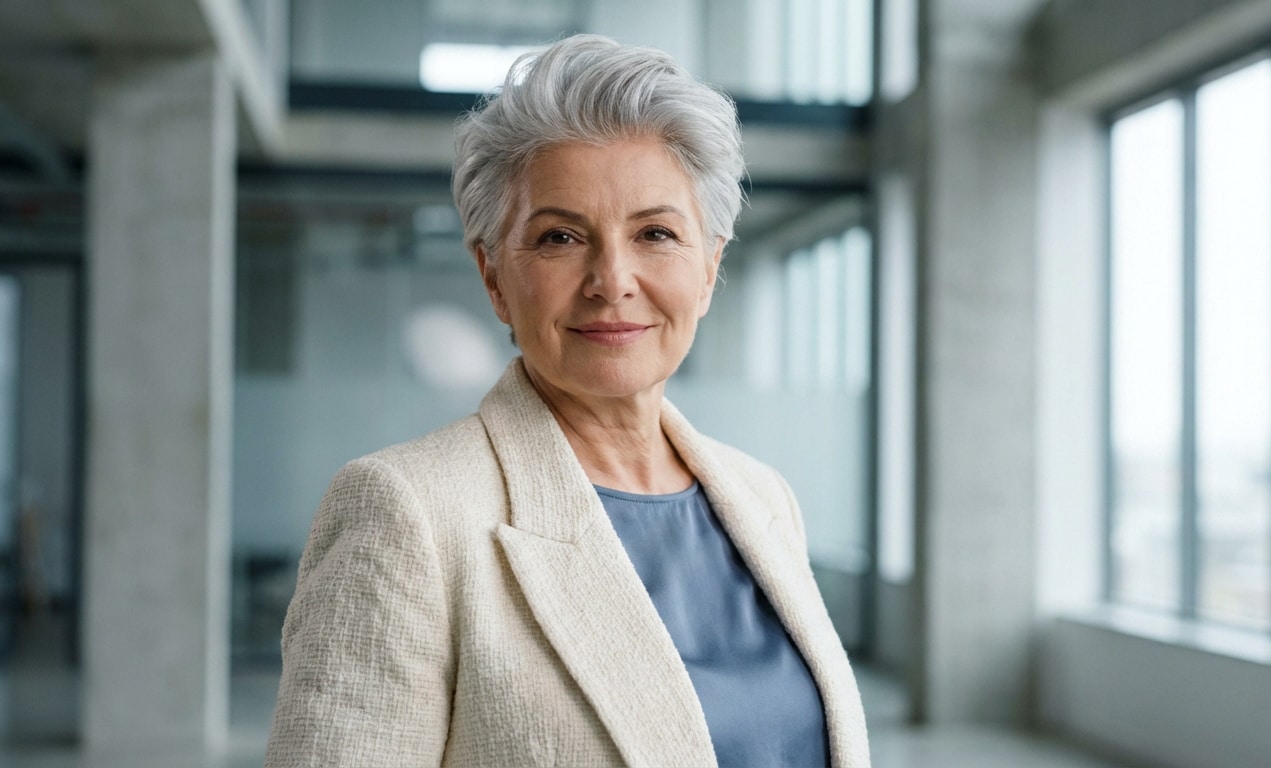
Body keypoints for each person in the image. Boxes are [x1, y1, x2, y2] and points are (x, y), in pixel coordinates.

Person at [265, 34, 869, 768]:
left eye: (655, 233)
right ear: (494, 278)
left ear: (709, 269)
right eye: (559, 237)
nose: (612, 280)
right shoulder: (407, 513)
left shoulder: (763, 498)